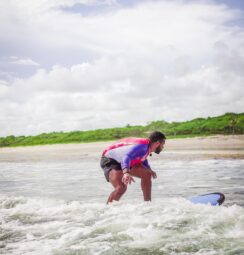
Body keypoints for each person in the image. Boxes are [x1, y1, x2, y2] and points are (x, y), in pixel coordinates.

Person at [100, 131, 166, 203]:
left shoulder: (146, 147)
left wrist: (149, 169)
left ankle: (147, 203)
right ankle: (108, 209)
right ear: (157, 143)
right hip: (110, 160)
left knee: (147, 173)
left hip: (123, 160)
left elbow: (142, 158)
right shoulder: (142, 145)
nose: (163, 147)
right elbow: (126, 157)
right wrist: (126, 173)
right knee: (121, 188)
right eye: (163, 144)